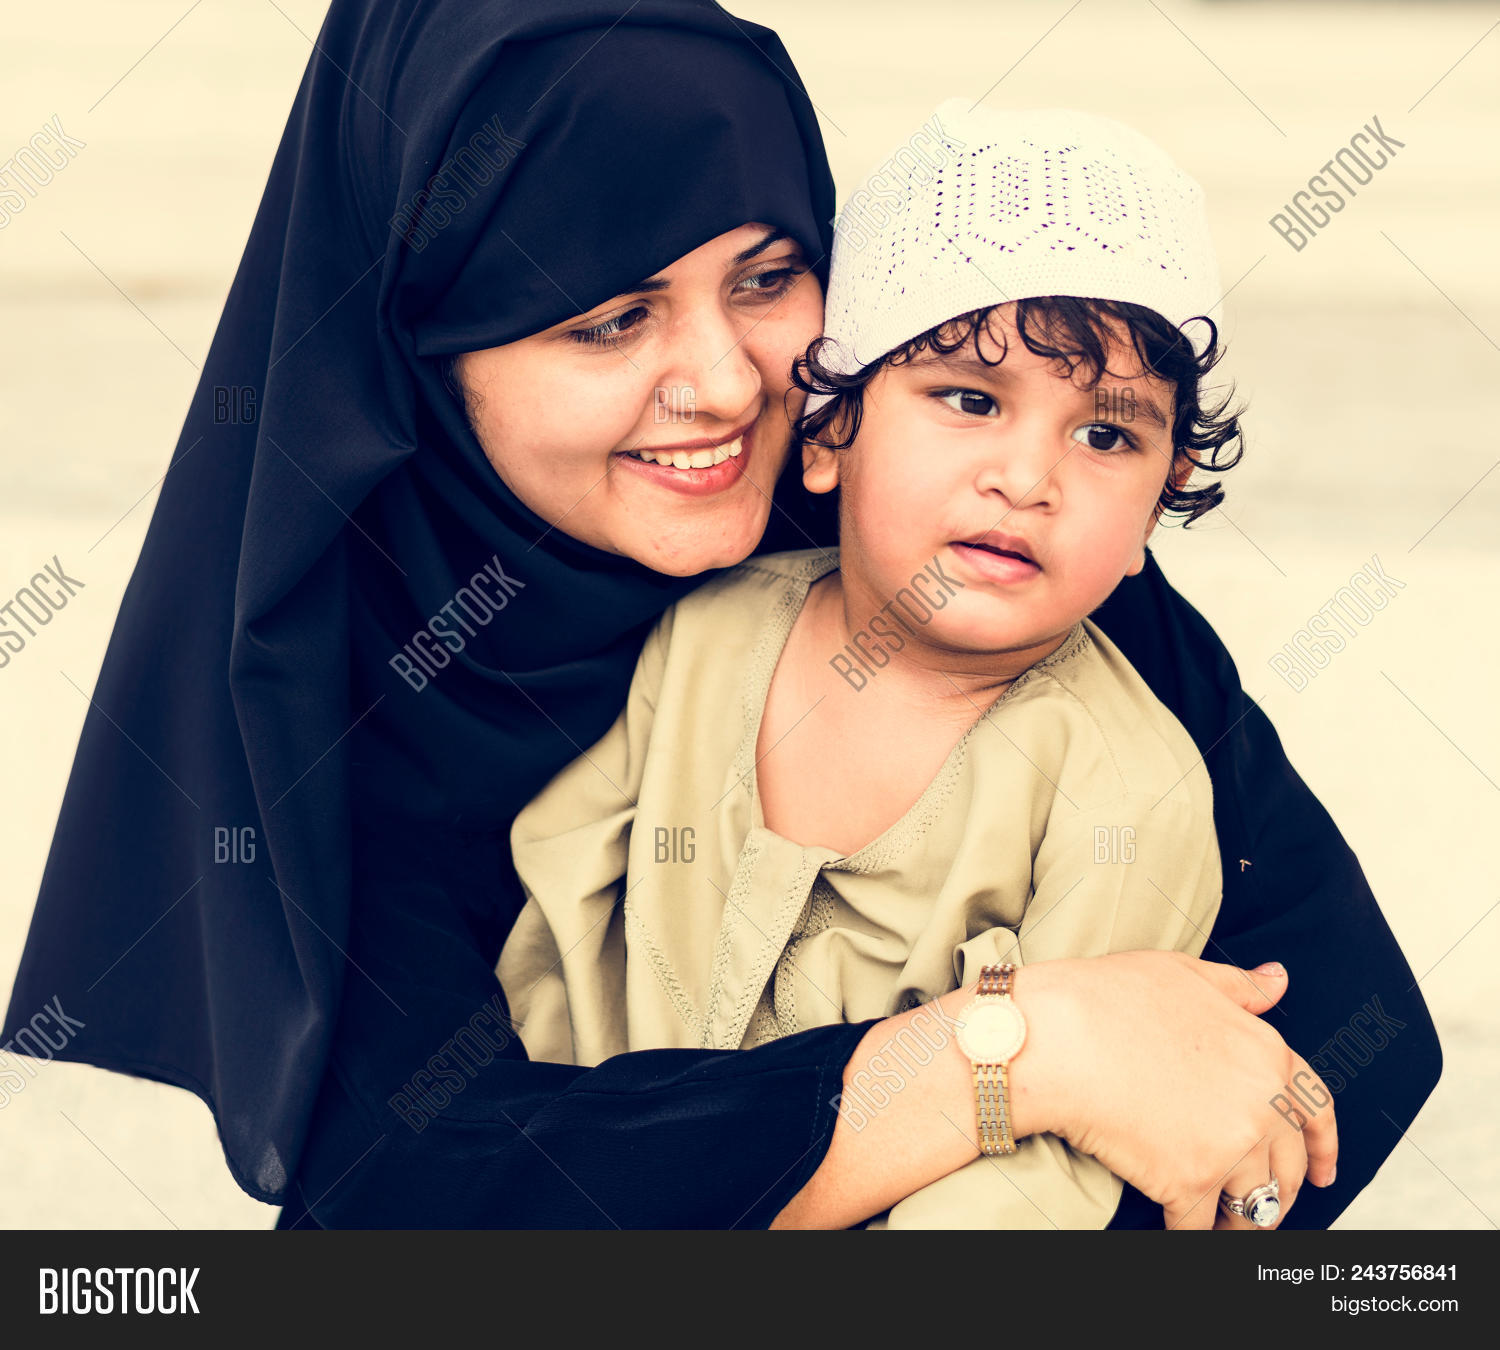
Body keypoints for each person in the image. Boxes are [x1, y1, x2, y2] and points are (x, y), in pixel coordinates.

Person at [0, 0, 1438, 1230]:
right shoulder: (353, 664)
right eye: (612, 318)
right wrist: (1011, 1053)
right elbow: (426, 1186)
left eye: (765, 278)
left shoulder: (952, 528)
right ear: (427, 342)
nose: (731, 386)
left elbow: (1340, 1031)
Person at [499, 107, 1253, 1229]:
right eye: (970, 401)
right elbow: (555, 929)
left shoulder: (1126, 795)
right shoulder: (700, 640)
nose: (1028, 479)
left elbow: (1055, 1169)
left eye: (1107, 436)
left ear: (1158, 507)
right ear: (827, 432)